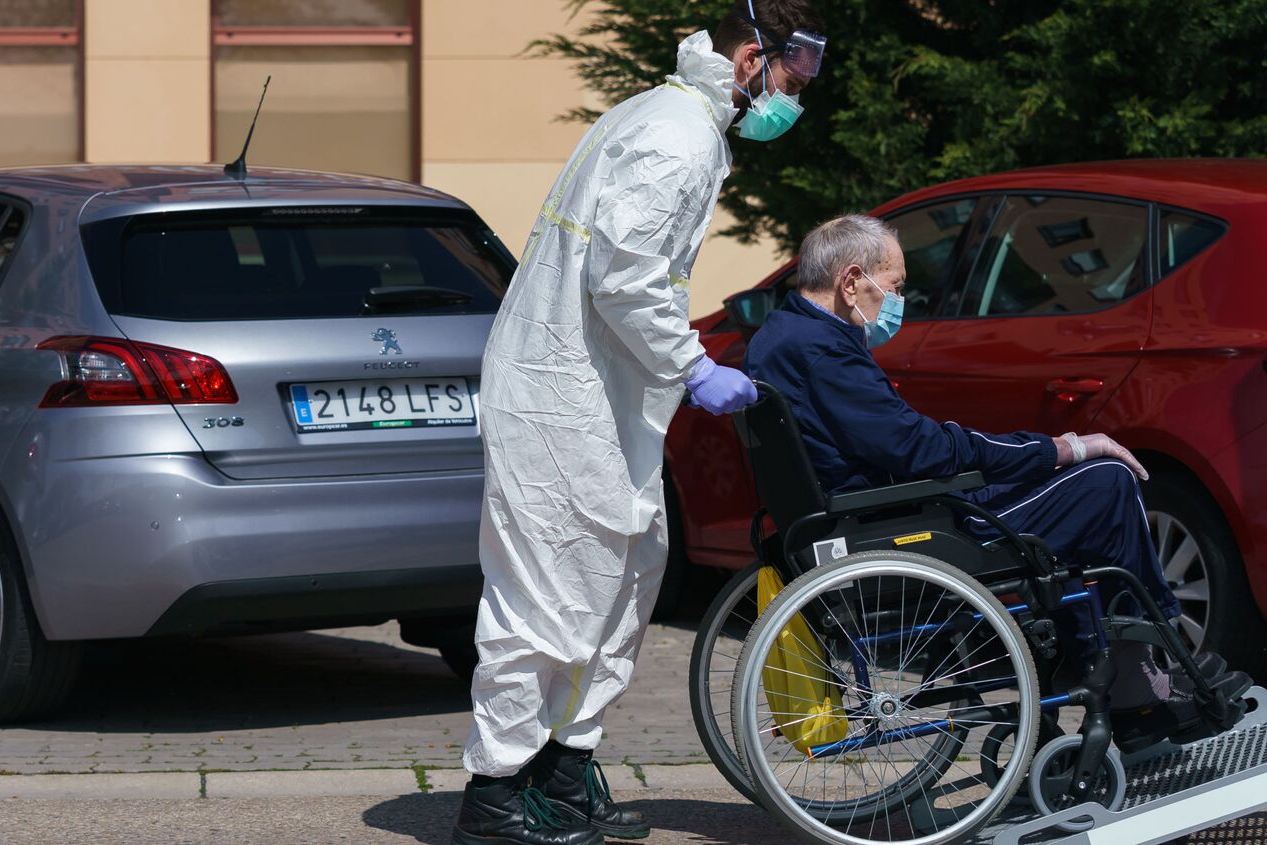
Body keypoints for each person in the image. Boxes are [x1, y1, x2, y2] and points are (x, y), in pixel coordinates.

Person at [456, 3, 826, 843]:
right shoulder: (676, 136)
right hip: (559, 394)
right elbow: (623, 277)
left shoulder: (676, 121)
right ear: (747, 62)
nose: (790, 105)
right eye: (789, 84)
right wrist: (692, 365)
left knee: (621, 577)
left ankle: (561, 764)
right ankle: (493, 797)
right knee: (546, 590)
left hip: (595, 394)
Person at [744, 214, 1253, 753]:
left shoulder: (780, 336)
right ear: (851, 282)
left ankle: (1097, 662)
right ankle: (1135, 687)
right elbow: (919, 448)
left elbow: (901, 442)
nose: (898, 301)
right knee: (1105, 480)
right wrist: (1057, 447)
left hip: (864, 515)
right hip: (898, 524)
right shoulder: (825, 350)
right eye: (893, 286)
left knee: (1073, 493)